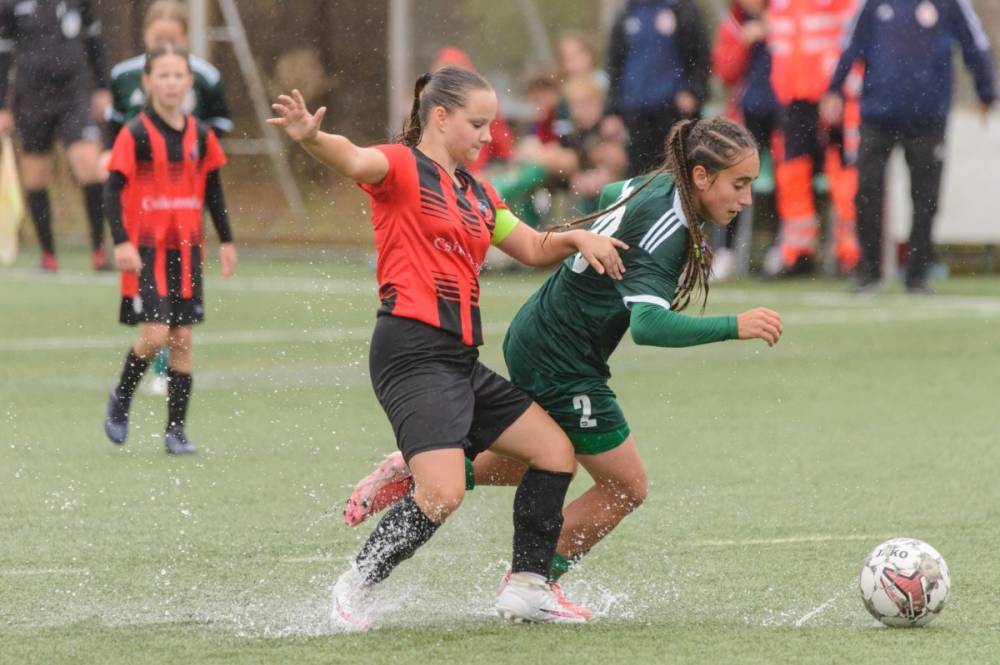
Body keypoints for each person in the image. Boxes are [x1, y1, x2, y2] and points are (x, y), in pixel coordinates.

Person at [344, 117, 784, 598]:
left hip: (541, 332)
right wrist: (734, 326)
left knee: (544, 457)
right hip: (563, 357)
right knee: (625, 486)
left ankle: (424, 469)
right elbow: (650, 326)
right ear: (700, 176)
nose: (745, 198)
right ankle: (532, 582)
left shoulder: (660, 184)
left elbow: (614, 189)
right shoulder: (669, 227)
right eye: (738, 185)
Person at [267, 66, 629, 630]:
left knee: (555, 452)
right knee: (443, 493)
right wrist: (312, 138)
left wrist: (578, 235)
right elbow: (354, 158)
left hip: (458, 358)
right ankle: (355, 584)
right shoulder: (402, 165)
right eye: (478, 124)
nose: (489, 136)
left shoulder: (478, 192)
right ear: (440, 117)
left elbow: (531, 246)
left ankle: (529, 587)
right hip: (410, 352)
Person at [102, 44, 236, 456]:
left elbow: (213, 188)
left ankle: (176, 431)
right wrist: (121, 240)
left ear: (189, 82)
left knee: (182, 340)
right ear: (147, 82)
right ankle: (122, 393)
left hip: (188, 250)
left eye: (178, 75)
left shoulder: (201, 134)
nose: (171, 82)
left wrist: (226, 238)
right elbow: (111, 189)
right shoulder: (136, 132)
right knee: (155, 335)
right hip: (145, 251)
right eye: (163, 75)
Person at [821, 0, 996, 294]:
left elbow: (974, 43)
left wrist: (986, 91)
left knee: (926, 199)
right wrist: (834, 89)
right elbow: (850, 44)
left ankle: (917, 275)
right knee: (867, 193)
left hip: (928, 118)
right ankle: (868, 273)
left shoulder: (951, 4)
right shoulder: (873, 4)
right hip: (877, 116)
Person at [0, 0, 111, 272]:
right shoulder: (10, 5)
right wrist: (2, 106)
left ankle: (99, 250)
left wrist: (103, 86)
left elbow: (94, 39)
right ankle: (48, 255)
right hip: (32, 98)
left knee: (89, 166)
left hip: (73, 94)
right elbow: (3, 55)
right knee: (36, 177)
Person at [765, 0, 860, 277]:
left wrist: (843, 91)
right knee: (792, 171)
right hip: (792, 97)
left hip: (833, 96)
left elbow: (854, 42)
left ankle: (851, 253)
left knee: (843, 172)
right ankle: (798, 252)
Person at [604, 0, 710, 175]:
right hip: (635, 112)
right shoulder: (627, 13)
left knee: (679, 171)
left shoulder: (682, 9)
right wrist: (612, 110)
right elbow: (615, 64)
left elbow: (701, 55)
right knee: (641, 174)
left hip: (674, 110)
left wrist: (694, 92)